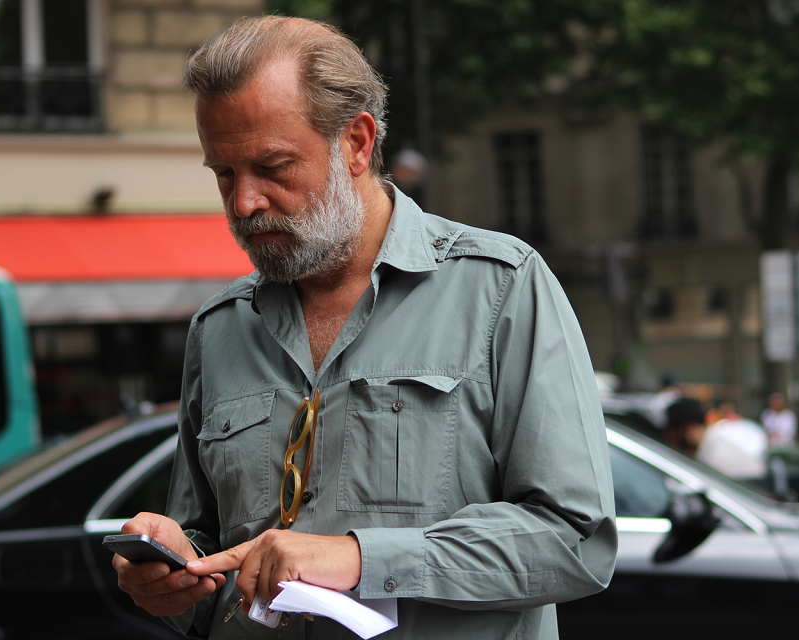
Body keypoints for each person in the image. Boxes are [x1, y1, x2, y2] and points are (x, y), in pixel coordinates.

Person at [111, 15, 617, 640]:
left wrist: (361, 558)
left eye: (272, 167)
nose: (244, 202)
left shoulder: (501, 287)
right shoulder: (218, 329)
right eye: (224, 175)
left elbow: (576, 540)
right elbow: (209, 560)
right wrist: (169, 577)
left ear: (355, 142)